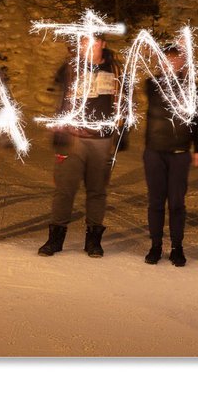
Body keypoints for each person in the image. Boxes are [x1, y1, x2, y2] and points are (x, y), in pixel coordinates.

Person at [37, 36, 121, 257]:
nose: (88, 46)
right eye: (84, 42)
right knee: (64, 189)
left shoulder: (115, 68)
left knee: (97, 191)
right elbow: (59, 94)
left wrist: (121, 132)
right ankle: (55, 239)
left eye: (93, 41)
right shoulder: (71, 66)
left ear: (103, 43)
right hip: (72, 138)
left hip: (101, 140)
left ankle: (93, 240)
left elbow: (124, 100)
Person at [142, 45, 198, 267]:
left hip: (179, 153)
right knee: (156, 201)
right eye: (166, 60)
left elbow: (197, 120)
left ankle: (177, 247)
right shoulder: (152, 85)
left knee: (177, 203)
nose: (171, 64)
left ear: (182, 63)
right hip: (155, 151)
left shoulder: (192, 89)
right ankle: (156, 245)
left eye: (175, 60)